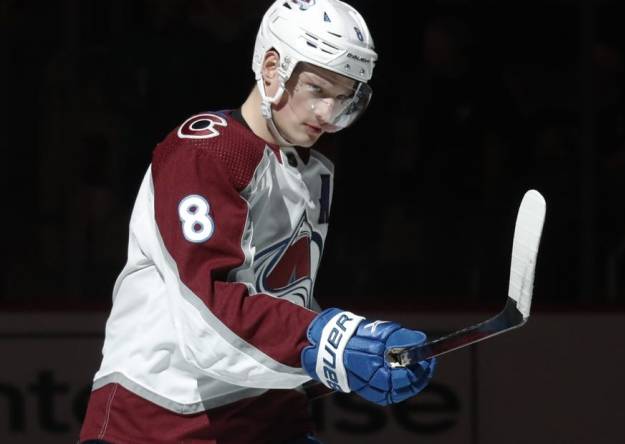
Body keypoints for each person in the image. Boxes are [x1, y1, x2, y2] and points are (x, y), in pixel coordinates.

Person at [78, 1, 436, 442]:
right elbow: (205, 314)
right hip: (158, 421)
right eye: (318, 89)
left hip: (265, 416)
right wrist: (325, 340)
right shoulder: (206, 151)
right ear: (272, 68)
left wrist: (358, 349)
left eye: (344, 99)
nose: (327, 114)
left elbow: (279, 298)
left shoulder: (310, 169)